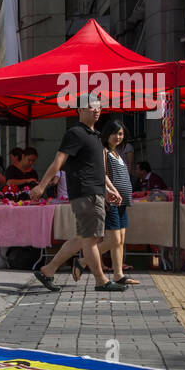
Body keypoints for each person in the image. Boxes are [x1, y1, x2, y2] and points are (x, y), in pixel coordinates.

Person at [30, 96, 126, 292]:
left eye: (99, 107)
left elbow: (97, 169)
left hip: (95, 192)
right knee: (91, 239)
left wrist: (108, 190)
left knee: (83, 237)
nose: (96, 110)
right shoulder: (75, 133)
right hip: (85, 193)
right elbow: (58, 161)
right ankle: (101, 280)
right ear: (79, 110)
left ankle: (48, 270)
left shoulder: (95, 136)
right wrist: (42, 186)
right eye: (91, 107)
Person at [92, 118, 139, 286]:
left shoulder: (118, 153)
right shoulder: (103, 151)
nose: (117, 137)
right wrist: (112, 191)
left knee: (120, 240)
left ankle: (119, 274)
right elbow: (102, 174)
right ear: (106, 134)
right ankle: (84, 261)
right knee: (113, 240)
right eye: (114, 133)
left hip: (122, 202)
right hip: (111, 201)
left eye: (120, 134)